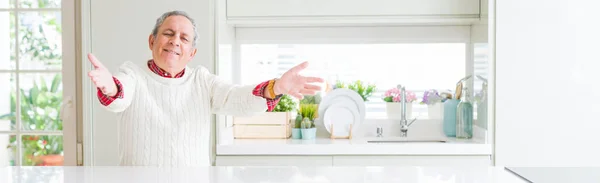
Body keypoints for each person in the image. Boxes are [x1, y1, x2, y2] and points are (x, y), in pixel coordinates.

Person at [87, 10, 324, 167]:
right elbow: (120, 94)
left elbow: (237, 99)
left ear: (192, 53)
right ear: (152, 41)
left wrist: (276, 87)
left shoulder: (202, 80)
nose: (175, 41)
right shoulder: (133, 75)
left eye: (184, 38)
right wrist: (110, 87)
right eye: (168, 34)